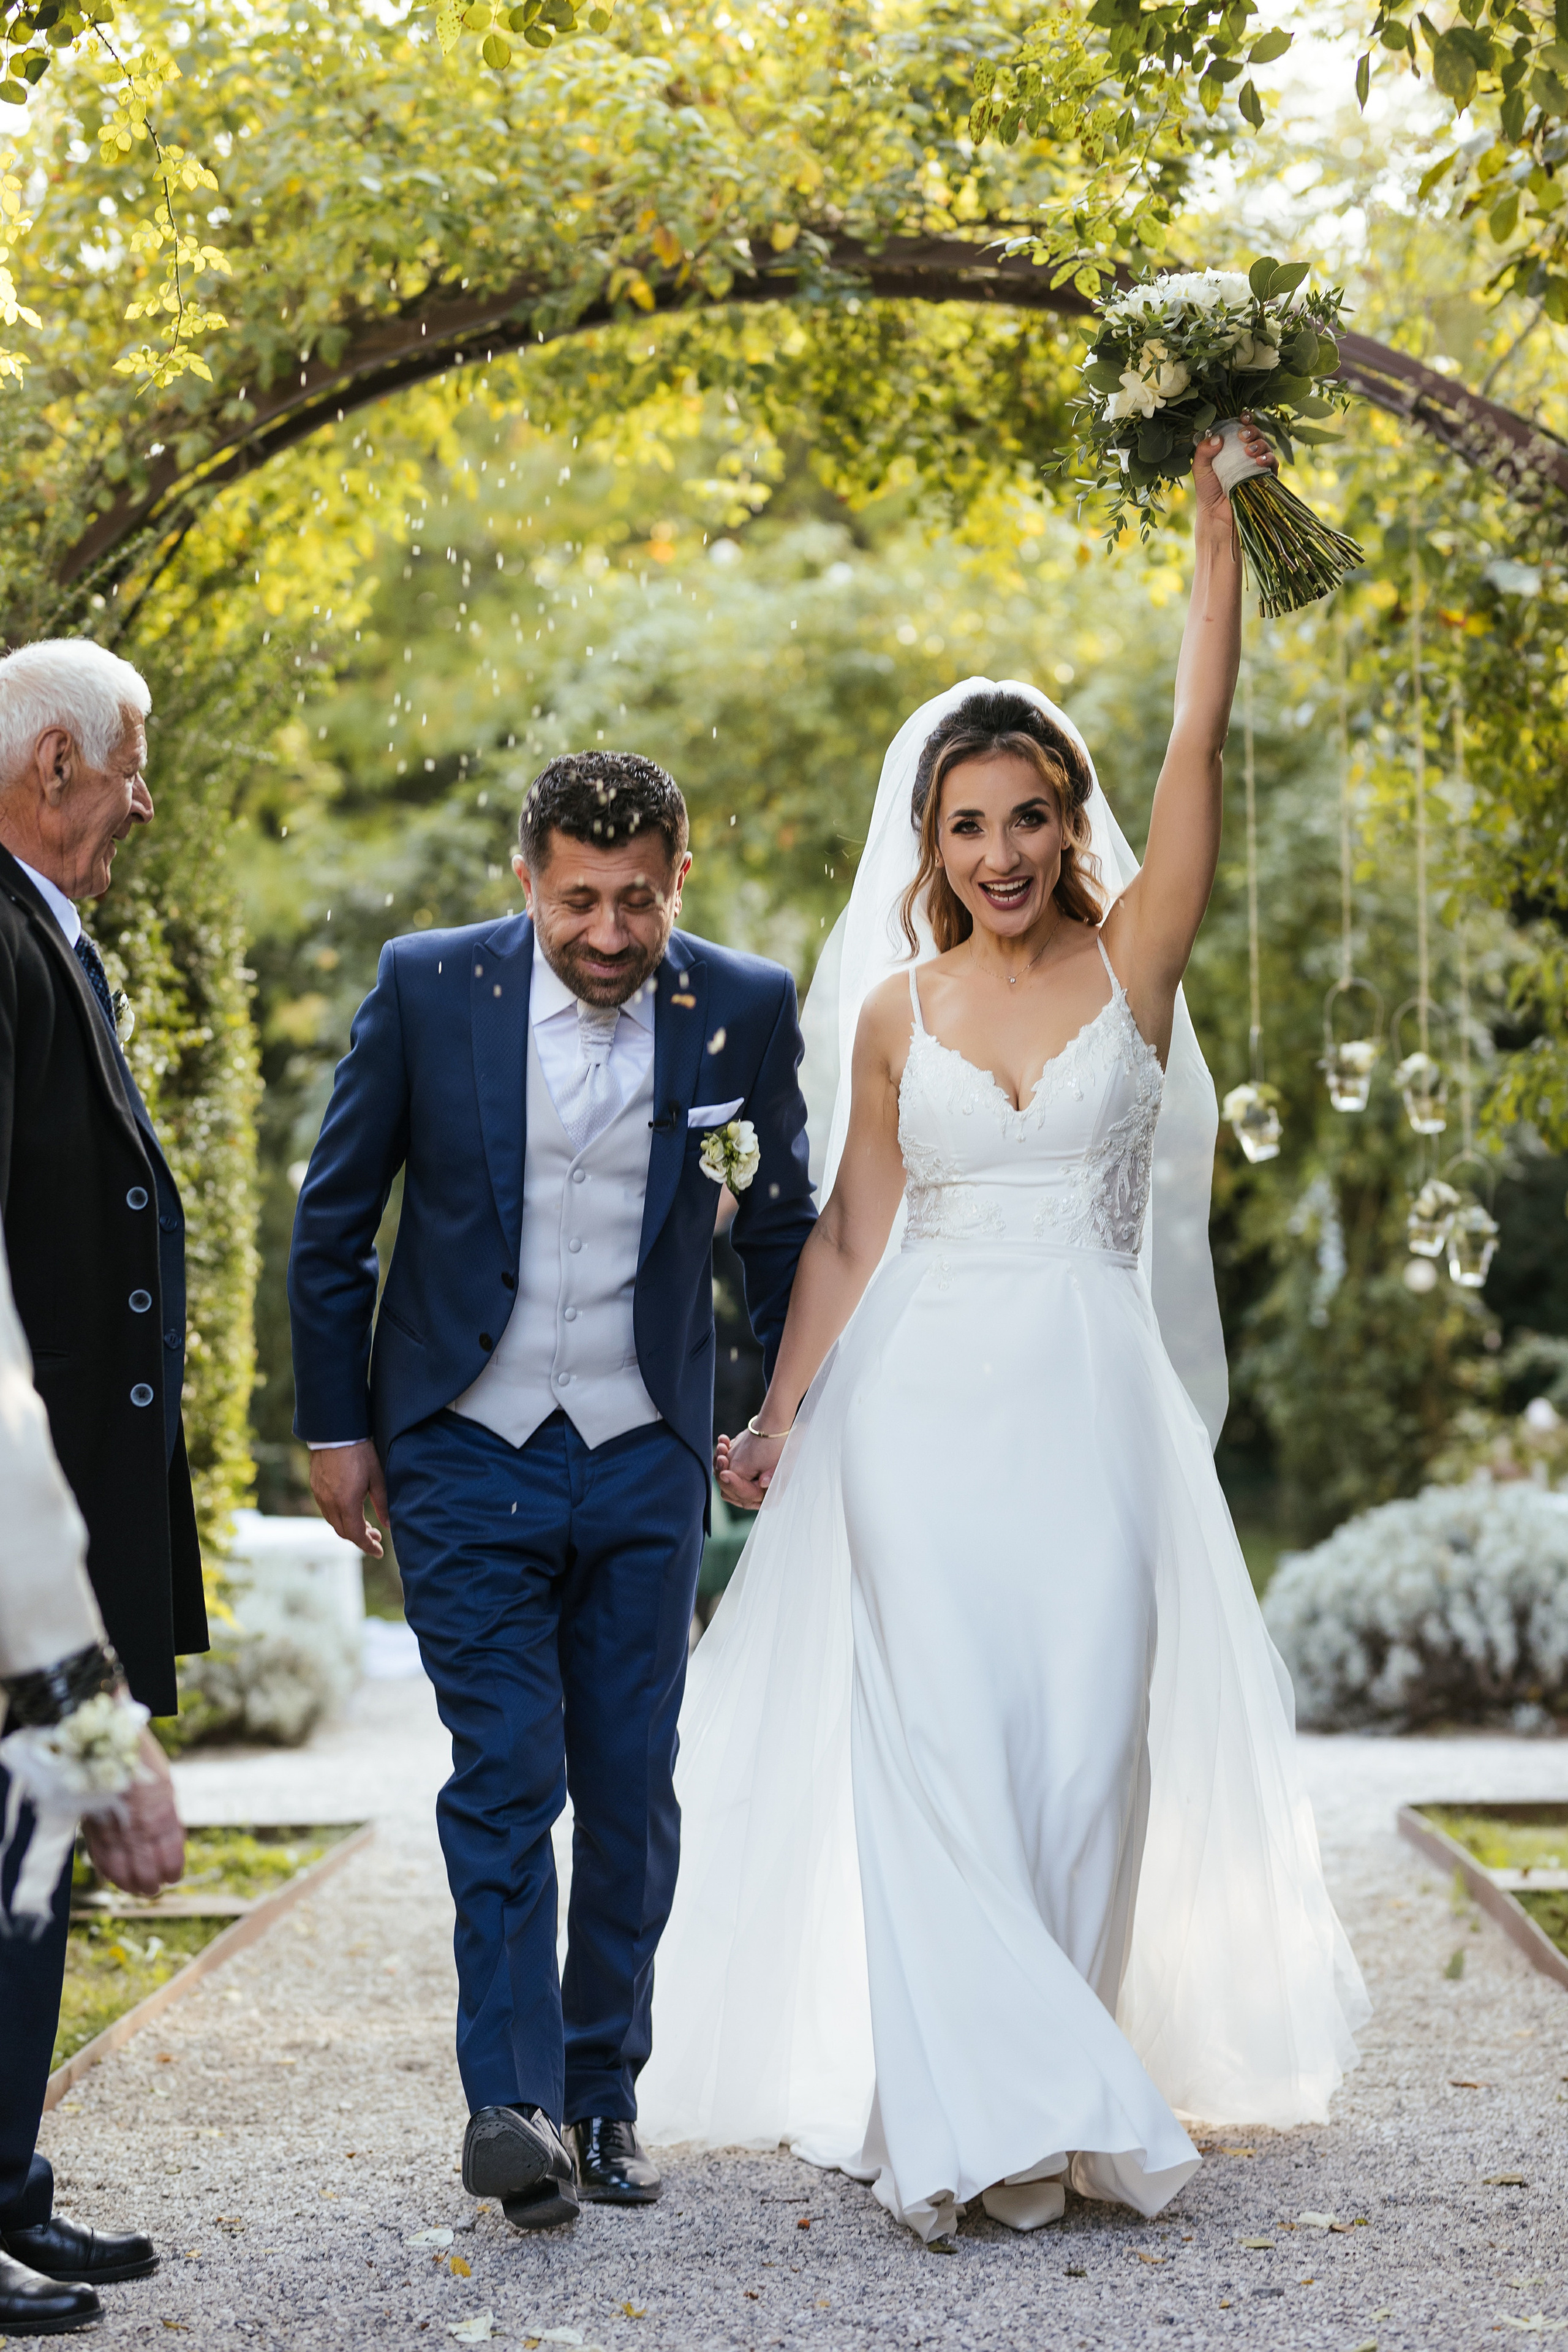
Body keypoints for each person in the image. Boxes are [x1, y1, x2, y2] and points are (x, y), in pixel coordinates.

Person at [637, 428, 1370, 2241]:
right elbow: (852, 1231)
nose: (1000, 853)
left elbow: (1197, 739)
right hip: (919, 1418)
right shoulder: (894, 1011)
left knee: (1087, 1744)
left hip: (1093, 1406)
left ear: (1067, 820)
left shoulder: (1139, 964)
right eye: (965, 828)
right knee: (943, 1752)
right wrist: (779, 1414)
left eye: (1026, 818)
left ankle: (1047, 2075)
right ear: (932, 846)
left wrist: (1214, 529)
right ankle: (978, 2114)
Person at [288, 752, 816, 2229]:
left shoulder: (744, 1004)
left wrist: (782, 1414)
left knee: (631, 1786)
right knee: (507, 1768)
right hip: (462, 1441)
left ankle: (602, 2098)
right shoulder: (427, 984)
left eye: (636, 900)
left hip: (646, 1450)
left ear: (679, 879)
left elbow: (781, 1230)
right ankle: (510, 2108)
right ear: (524, 878)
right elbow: (334, 1219)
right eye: (576, 900)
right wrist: (336, 1429)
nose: (606, 931)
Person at [0, 638, 205, 2315]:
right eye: (132, 767)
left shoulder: (40, 933)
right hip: (18, 1513)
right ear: (53, 764)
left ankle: (8, 2184)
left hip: (56, 1503)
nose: (144, 802)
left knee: (26, 1847)